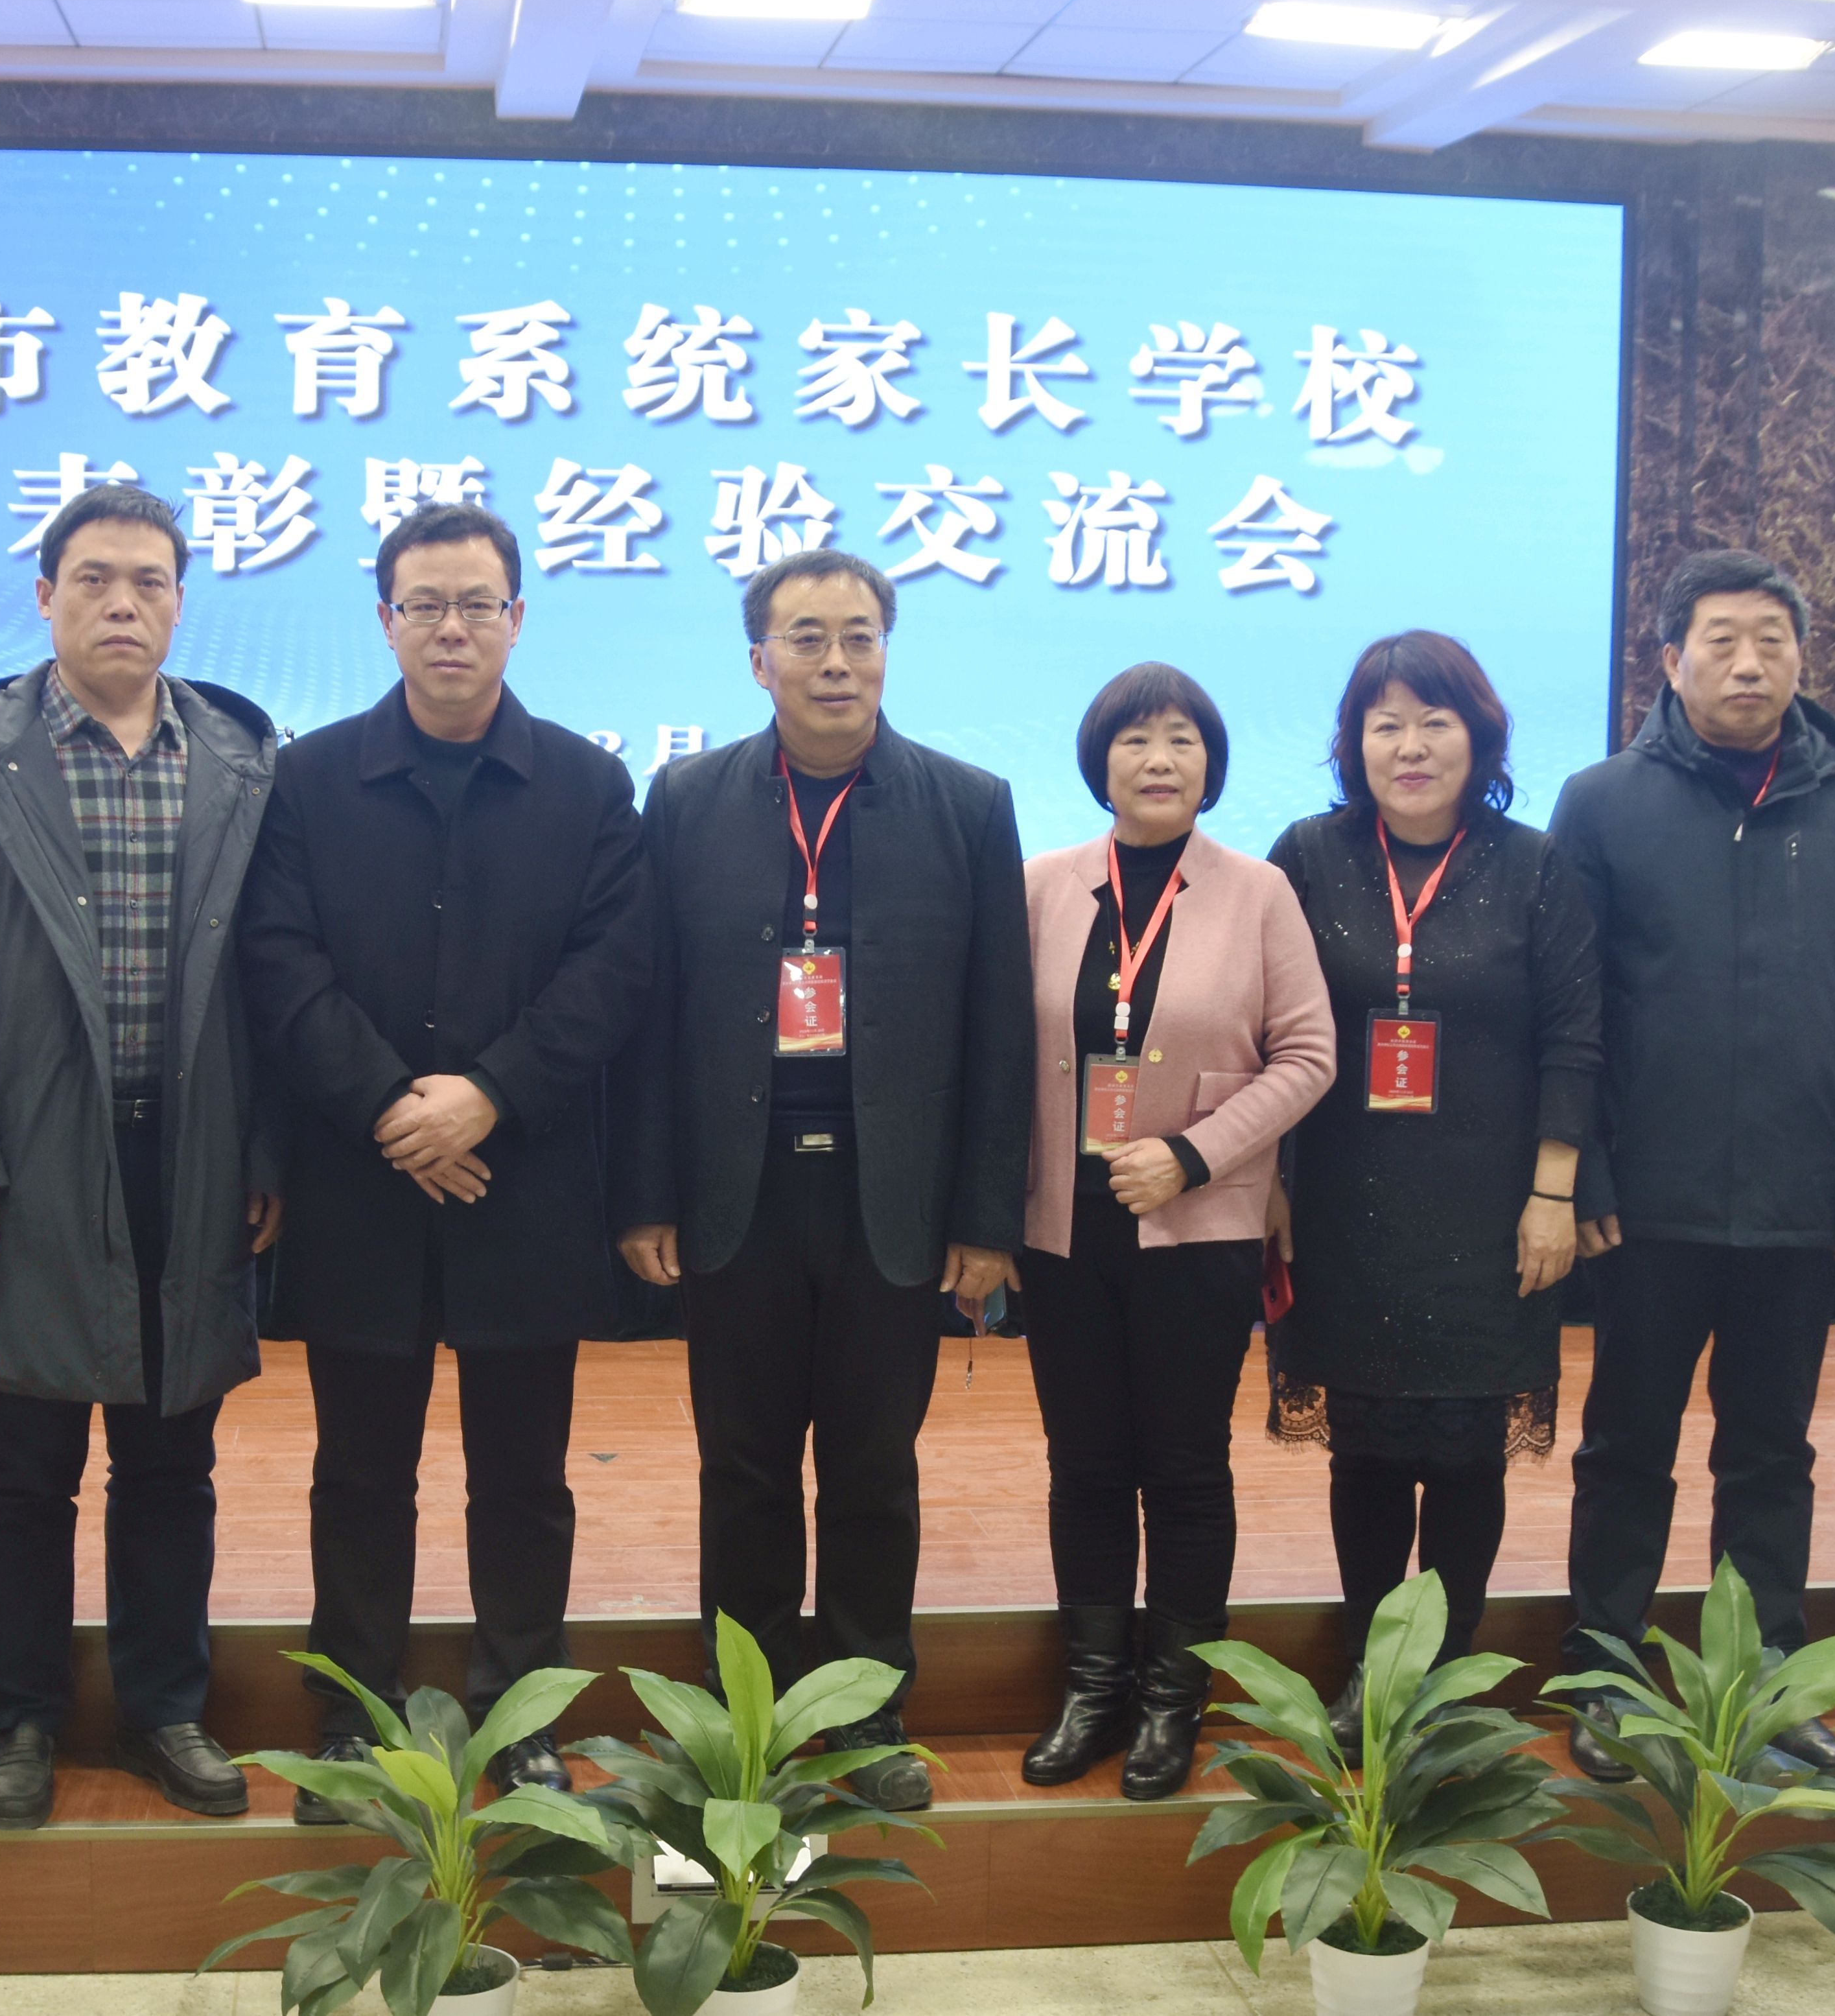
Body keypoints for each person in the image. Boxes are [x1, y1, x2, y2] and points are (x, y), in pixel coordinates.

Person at [238, 501, 652, 1819]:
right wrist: (392, 1108)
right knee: (360, 1473)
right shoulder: (308, 779)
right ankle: (353, 1721)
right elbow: (278, 959)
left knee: (523, 1476)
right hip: (362, 1183)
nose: (453, 627)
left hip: (522, 1178)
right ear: (385, 621)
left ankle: (520, 1713)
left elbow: (612, 971)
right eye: (426, 604)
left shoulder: (588, 786)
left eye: (478, 604)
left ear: (517, 619)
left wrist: (488, 1097)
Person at [0, 484, 283, 1825]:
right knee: (22, 1465)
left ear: (181, 601)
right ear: (45, 594)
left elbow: (273, 975)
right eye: (95, 578)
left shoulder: (238, 756)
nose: (122, 603)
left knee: (172, 1463)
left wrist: (265, 1148)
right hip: (27, 1154)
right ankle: (20, 1718)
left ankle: (166, 1707)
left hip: (193, 1154)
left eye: (149, 581)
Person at [611, 546, 1031, 1814]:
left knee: (870, 1467)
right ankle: (743, 1715)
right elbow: (648, 1010)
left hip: (888, 1197)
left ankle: (864, 1710)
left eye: (859, 636)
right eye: (807, 637)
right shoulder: (687, 799)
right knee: (740, 1468)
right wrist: (646, 1191)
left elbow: (1000, 1029)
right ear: (759, 661)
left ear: (887, 652)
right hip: (734, 1194)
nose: (835, 660)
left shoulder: (967, 804)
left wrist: (987, 1219)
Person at [1547, 549, 1835, 1781]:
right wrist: (1582, 1172)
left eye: (1771, 639)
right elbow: (1569, 1007)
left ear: (1801, 658)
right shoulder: (1601, 803)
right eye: (1720, 640)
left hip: (1796, 1204)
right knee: (1625, 1448)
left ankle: (1764, 1683)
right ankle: (1605, 1676)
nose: (1748, 663)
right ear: (1670, 660)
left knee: (1770, 1455)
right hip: (1642, 1207)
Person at [1263, 631, 1598, 1748]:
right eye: (1385, 724)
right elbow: (1266, 1028)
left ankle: (1444, 1675)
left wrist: (1553, 1192)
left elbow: (1574, 1039)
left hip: (1489, 1205)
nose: (1409, 747)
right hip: (1341, 1199)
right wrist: (1267, 1179)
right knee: (1362, 1448)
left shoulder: (1535, 865)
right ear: (1353, 743)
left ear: (1479, 737)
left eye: (1433, 722)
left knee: (1464, 1452)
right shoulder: (1305, 857)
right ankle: (1371, 1665)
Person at [1014, 663, 1334, 1799]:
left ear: (1212, 764)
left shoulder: (1259, 892)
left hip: (1199, 1231)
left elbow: (1309, 1055)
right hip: (1063, 1233)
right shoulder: (1041, 885)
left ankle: (1171, 1695)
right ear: (1097, 761)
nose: (1159, 759)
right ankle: (1092, 1684)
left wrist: (1192, 1154)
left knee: (1186, 1466)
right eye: (1135, 739)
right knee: (1084, 1465)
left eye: (1183, 739)